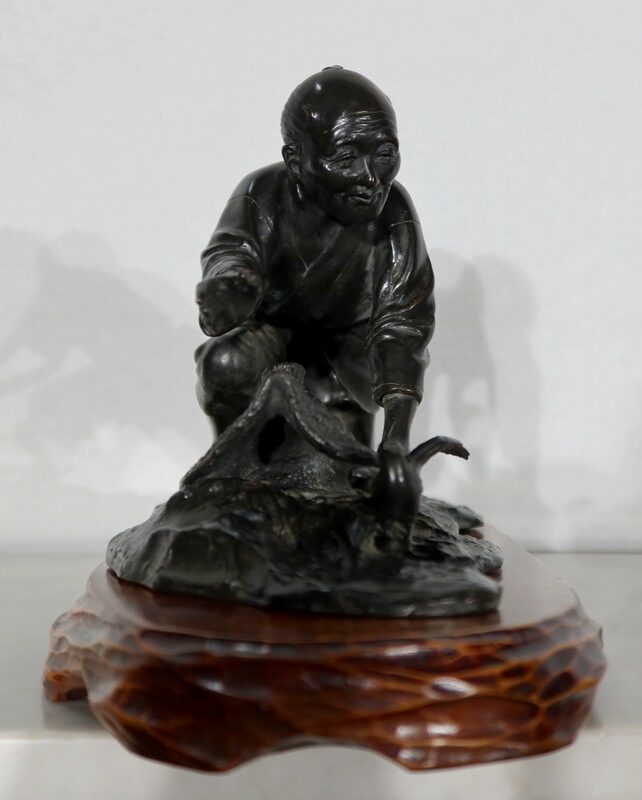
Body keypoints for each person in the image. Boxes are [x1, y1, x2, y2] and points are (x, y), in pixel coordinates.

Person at [195, 66, 435, 457]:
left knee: (340, 454)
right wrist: (232, 289)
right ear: (295, 160)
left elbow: (402, 322)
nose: (371, 178)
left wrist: (395, 443)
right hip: (270, 342)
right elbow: (233, 253)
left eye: (384, 154)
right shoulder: (263, 193)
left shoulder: (393, 210)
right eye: (346, 157)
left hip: (345, 359)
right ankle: (235, 463)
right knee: (225, 363)